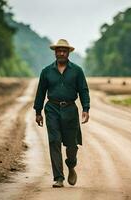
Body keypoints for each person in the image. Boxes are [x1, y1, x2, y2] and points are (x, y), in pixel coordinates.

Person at [33, 39, 90, 188]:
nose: (61, 53)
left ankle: (71, 165)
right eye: (59, 50)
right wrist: (38, 112)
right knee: (54, 141)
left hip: (70, 110)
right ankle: (58, 177)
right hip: (52, 109)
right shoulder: (46, 71)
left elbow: (83, 90)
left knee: (72, 145)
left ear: (69, 53)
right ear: (55, 52)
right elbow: (40, 92)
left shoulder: (77, 71)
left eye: (64, 51)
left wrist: (86, 109)